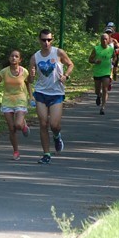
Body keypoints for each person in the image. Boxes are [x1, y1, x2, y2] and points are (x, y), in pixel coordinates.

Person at [28, 29, 75, 164]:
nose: (46, 43)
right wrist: (31, 75)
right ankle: (46, 154)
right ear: (39, 40)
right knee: (43, 123)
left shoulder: (58, 52)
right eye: (43, 40)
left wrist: (66, 75)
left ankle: (56, 136)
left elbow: (70, 64)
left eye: (49, 40)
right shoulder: (35, 57)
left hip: (56, 93)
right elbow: (30, 81)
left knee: (54, 125)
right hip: (41, 92)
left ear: (52, 40)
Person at [0, 49, 34, 160]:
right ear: (9, 58)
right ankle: (16, 151)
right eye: (12, 56)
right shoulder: (4, 72)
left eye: (16, 56)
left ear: (20, 59)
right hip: (7, 101)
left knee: (17, 125)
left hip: (20, 99)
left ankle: (23, 125)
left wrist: (31, 96)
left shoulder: (24, 71)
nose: (13, 58)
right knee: (11, 128)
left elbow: (28, 84)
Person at [88, 33, 119, 115]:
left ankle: (103, 107)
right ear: (100, 40)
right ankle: (99, 95)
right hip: (97, 72)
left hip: (106, 72)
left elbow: (115, 57)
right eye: (102, 39)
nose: (104, 41)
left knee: (105, 89)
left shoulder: (111, 49)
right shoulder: (96, 48)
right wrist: (95, 61)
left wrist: (113, 61)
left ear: (109, 40)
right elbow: (90, 59)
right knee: (97, 90)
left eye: (106, 39)